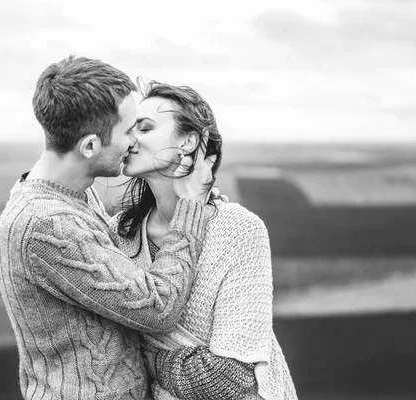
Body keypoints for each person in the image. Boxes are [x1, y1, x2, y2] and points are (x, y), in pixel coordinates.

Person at [0, 56, 216, 399]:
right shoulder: (46, 224)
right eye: (128, 131)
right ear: (90, 146)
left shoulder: (71, 198)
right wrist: (190, 210)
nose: (133, 142)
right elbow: (158, 308)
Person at [110, 81, 298, 399]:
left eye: (144, 128)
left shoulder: (239, 231)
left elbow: (232, 379)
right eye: (129, 129)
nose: (130, 140)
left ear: (188, 140)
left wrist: (151, 363)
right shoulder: (120, 234)